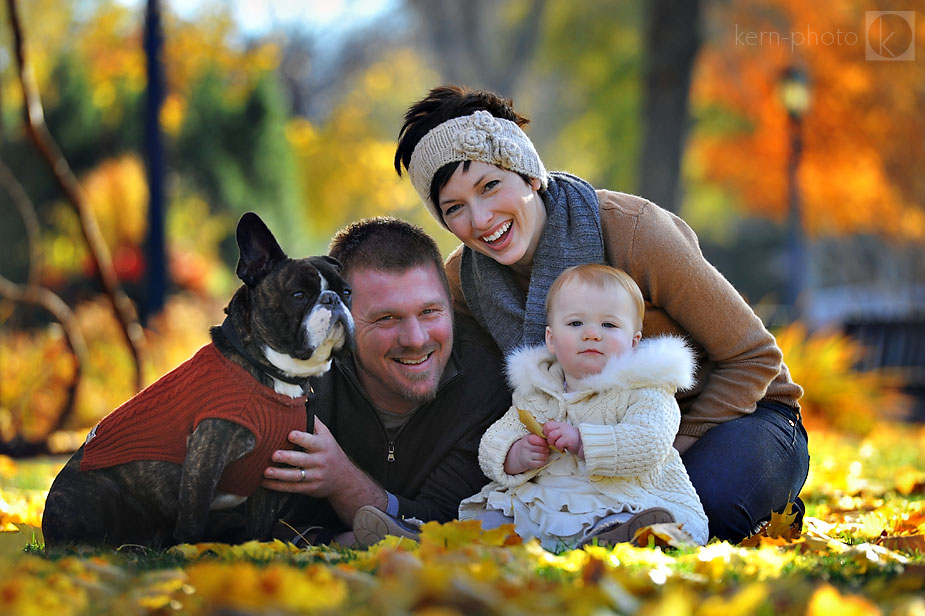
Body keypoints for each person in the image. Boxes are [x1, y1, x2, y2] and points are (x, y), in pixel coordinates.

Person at [394, 85, 809, 542]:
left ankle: (757, 499)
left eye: (490, 186)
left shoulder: (633, 231)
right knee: (502, 500)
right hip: (582, 446)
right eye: (455, 208)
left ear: (530, 174)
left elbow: (755, 357)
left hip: (739, 418)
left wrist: (664, 452)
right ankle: (431, 528)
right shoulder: (465, 280)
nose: (481, 220)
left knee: (703, 505)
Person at [253, 217, 512, 546]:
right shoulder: (292, 372)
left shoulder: (487, 379)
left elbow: (447, 519)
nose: (416, 339)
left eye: (430, 311)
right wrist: (324, 537)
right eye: (386, 318)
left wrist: (341, 479)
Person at [459, 264, 709, 551]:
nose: (592, 334)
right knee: (493, 517)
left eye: (609, 325)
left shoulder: (646, 391)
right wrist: (515, 454)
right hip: (542, 503)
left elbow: (649, 442)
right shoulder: (538, 393)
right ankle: (473, 542)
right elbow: (494, 439)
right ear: (551, 340)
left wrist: (583, 441)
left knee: (629, 521)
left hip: (619, 497)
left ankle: (612, 539)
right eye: (576, 323)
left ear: (633, 342)